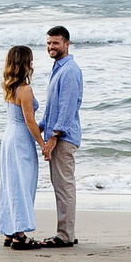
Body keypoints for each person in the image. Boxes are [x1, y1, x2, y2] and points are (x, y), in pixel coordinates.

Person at [35, 25, 82, 247]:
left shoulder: (70, 71)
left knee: (64, 186)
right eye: (48, 43)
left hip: (64, 138)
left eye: (55, 43)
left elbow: (67, 108)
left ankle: (65, 235)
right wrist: (37, 129)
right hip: (57, 135)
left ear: (66, 44)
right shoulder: (58, 69)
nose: (51, 47)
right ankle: (66, 233)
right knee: (60, 186)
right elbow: (51, 109)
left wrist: (54, 136)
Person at [0, 43, 44, 248]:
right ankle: (20, 235)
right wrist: (42, 143)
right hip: (20, 140)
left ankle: (9, 230)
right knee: (23, 184)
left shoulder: (9, 87)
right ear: (26, 64)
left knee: (10, 183)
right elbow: (29, 121)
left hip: (9, 136)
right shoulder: (25, 90)